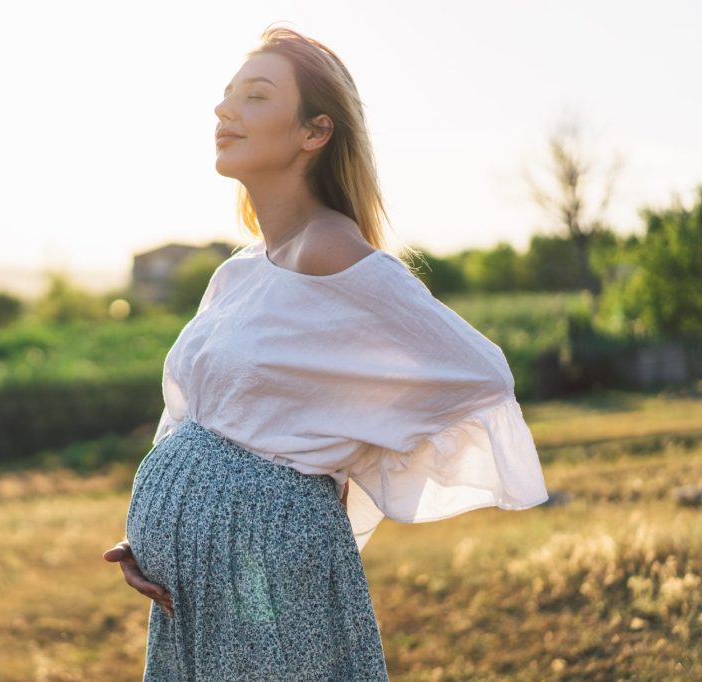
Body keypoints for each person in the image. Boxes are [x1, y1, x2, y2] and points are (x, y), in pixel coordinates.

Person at [103, 25, 549, 681]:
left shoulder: (329, 249)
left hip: (268, 568)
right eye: (228, 94)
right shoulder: (238, 271)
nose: (225, 109)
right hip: (198, 583)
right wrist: (157, 531)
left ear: (315, 131)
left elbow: (476, 374)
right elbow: (197, 415)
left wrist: (334, 472)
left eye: (256, 96)